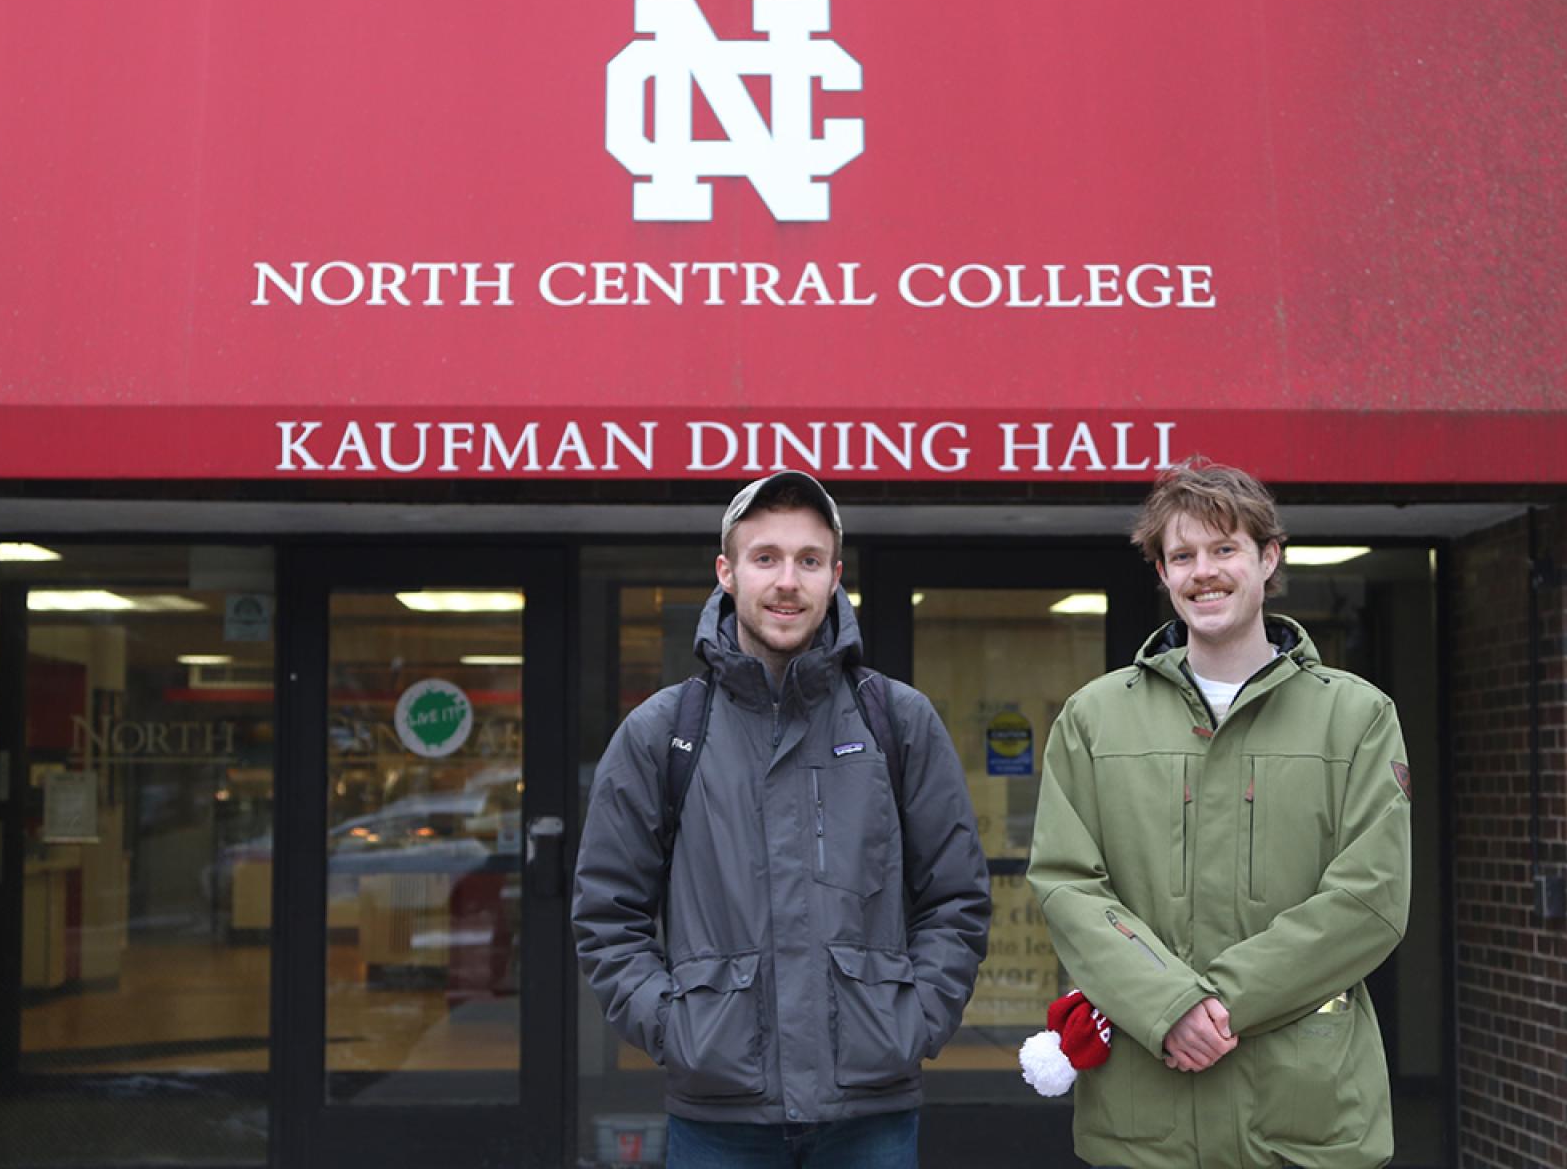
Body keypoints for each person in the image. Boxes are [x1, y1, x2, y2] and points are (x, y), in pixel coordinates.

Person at [572, 470, 990, 1168]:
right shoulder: (663, 731)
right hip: (718, 1112)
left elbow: (956, 899)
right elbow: (607, 916)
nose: (787, 581)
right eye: (765, 558)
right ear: (727, 572)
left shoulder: (897, 720)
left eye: (808, 560)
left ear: (835, 576)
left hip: (870, 1111)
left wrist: (910, 1021)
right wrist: (680, 1030)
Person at [1027, 459, 1411, 1169]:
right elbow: (1067, 885)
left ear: (1268, 558)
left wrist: (1219, 1006)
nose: (1204, 572)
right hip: (1144, 1121)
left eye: (1224, 549)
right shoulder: (1094, 719)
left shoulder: (1355, 717)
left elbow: (1372, 897)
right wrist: (1168, 1006)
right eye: (1182, 556)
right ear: (1163, 574)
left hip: (1306, 1118)